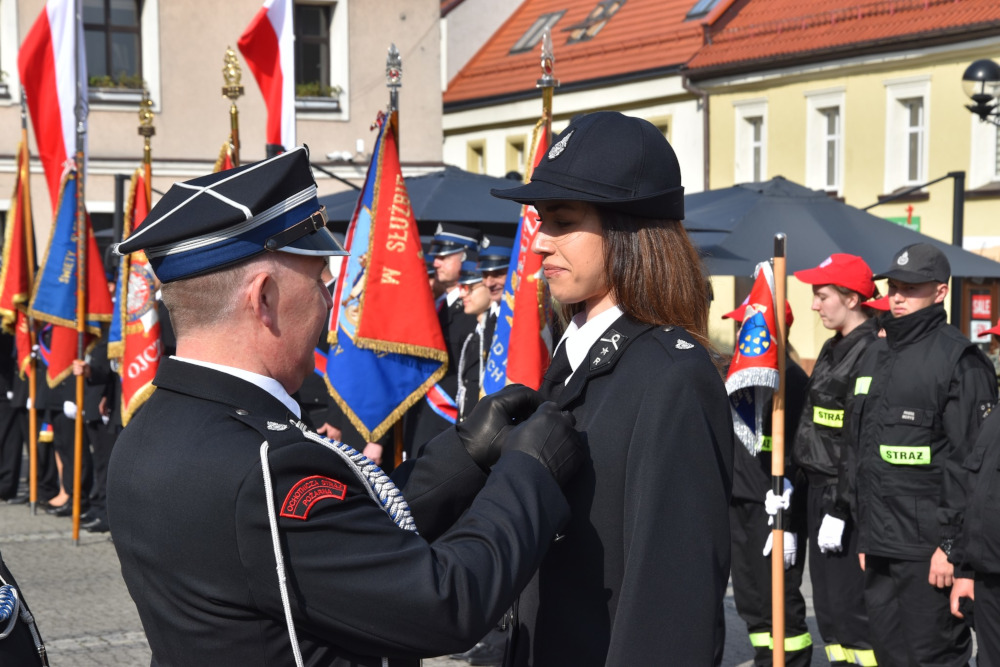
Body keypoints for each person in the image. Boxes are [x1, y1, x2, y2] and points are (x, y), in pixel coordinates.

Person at [107, 146, 585, 667]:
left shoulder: (151, 429)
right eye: (319, 280)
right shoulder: (264, 467)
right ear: (263, 298)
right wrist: (528, 473)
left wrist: (464, 455)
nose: (330, 298)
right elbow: (442, 603)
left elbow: (340, 548)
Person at [491, 111, 734, 665]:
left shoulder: (672, 376)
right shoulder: (570, 355)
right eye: (541, 221)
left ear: (628, 229)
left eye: (563, 221)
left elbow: (671, 604)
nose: (539, 244)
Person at [847, 242, 997, 665]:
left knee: (932, 656)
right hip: (880, 543)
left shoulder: (959, 360)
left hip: (928, 550)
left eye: (910, 288)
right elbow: (862, 451)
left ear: (940, 292)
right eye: (893, 286)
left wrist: (951, 548)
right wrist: (865, 533)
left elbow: (973, 465)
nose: (897, 296)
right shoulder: (875, 353)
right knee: (889, 654)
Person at [792, 254, 880, 666]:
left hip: (844, 497)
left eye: (822, 295)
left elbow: (860, 440)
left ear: (851, 297)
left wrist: (843, 507)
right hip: (819, 491)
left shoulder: (872, 353)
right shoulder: (833, 346)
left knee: (852, 612)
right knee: (828, 612)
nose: (814, 305)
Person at [723, 300, 813, 666]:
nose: (739, 334)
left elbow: (803, 454)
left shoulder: (792, 382)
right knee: (752, 601)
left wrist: (788, 523)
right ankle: (766, 658)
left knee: (780, 602)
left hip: (772, 508)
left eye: (748, 327)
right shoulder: (741, 375)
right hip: (739, 502)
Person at [404, 223, 482, 456]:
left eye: (444, 256)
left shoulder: (472, 312)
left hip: (446, 423)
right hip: (421, 420)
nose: (435, 262)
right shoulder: (438, 305)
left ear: (467, 257)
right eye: (436, 256)